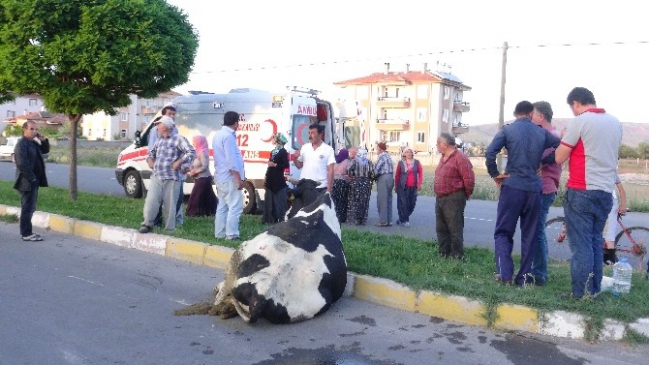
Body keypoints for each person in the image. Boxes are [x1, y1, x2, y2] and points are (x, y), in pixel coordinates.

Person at [551, 87, 622, 298]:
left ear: (576, 103)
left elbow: (559, 158)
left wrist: (564, 137)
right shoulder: (615, 123)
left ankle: (580, 294)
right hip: (605, 192)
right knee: (594, 243)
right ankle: (594, 291)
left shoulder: (580, 121)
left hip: (581, 190)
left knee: (581, 246)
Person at [485, 101, 561, 286]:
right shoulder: (542, 132)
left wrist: (496, 174)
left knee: (503, 232)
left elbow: (490, 153)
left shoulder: (508, 130)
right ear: (530, 113)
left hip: (512, 187)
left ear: (516, 113)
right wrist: (545, 161)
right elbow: (561, 145)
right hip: (534, 189)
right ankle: (524, 278)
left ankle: (505, 275)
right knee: (530, 235)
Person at [139, 116, 195, 233]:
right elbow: (151, 153)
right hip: (157, 175)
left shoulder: (178, 139)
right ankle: (147, 224)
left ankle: (169, 229)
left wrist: (179, 162)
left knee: (170, 205)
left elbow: (191, 152)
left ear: (164, 126)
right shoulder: (159, 140)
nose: (157, 127)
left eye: (158, 125)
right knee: (151, 201)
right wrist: (149, 160)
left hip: (172, 177)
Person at [530, 101, 563, 285]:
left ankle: (540, 274)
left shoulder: (549, 137)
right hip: (544, 187)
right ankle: (538, 270)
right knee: (537, 230)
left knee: (536, 231)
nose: (530, 118)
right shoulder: (552, 134)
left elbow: (537, 160)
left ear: (541, 116)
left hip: (544, 187)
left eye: (533, 115)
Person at [434, 133, 475, 259]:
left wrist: (463, 196)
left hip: (453, 197)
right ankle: (444, 252)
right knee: (441, 227)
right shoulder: (443, 157)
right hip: (440, 197)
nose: (437, 145)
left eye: (438, 143)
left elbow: (469, 180)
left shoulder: (460, 158)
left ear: (445, 145)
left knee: (454, 228)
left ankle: (457, 255)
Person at [13, 121, 49, 241]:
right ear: (24, 130)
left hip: (34, 180)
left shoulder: (33, 142)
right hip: (27, 181)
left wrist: (43, 139)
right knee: (27, 207)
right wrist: (32, 178)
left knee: (31, 207)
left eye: (35, 129)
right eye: (32, 129)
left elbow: (45, 151)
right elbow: (22, 164)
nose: (34, 131)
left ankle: (28, 231)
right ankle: (26, 233)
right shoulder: (21, 144)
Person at [213, 111, 245, 240]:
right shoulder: (229, 137)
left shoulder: (218, 135)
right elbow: (231, 161)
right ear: (235, 122)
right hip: (230, 177)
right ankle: (231, 235)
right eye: (238, 122)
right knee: (235, 207)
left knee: (222, 207)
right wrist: (238, 179)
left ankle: (219, 234)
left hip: (220, 177)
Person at [293, 124, 335, 193]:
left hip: (320, 187)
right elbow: (299, 166)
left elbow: (331, 170)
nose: (310, 136)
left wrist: (329, 189)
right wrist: (295, 158)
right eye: (309, 133)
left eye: (312, 133)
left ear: (320, 134)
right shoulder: (304, 147)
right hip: (304, 186)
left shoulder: (328, 149)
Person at [185, 135, 217, 217]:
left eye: (194, 141)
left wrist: (195, 172)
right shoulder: (197, 152)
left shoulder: (203, 152)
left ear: (199, 142)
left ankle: (192, 213)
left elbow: (204, 166)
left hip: (204, 178)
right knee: (208, 196)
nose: (193, 143)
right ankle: (211, 212)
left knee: (196, 196)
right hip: (200, 178)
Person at [262, 133, 289, 224]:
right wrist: (266, 176)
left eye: (273, 138)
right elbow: (269, 166)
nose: (272, 139)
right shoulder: (273, 151)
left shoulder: (283, 152)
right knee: (270, 202)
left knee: (279, 201)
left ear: (278, 140)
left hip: (278, 179)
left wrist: (275, 165)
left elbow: (286, 164)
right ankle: (269, 219)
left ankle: (281, 219)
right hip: (270, 178)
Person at [394, 147, 422, 228]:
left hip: (413, 186)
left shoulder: (416, 162)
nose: (409, 153)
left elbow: (420, 173)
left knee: (412, 204)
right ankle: (405, 220)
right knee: (403, 204)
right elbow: (397, 175)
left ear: (412, 153)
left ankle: (401, 218)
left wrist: (419, 183)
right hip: (402, 186)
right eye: (407, 152)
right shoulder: (401, 163)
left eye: (410, 152)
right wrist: (396, 186)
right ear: (404, 154)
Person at [603, 175, 627, 264]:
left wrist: (623, 205)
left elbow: (621, 189)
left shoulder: (611, 171)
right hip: (599, 205)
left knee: (609, 238)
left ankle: (609, 264)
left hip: (610, 205)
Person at [346, 147, 374, 226]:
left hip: (356, 182)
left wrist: (352, 176)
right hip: (365, 183)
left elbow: (348, 170)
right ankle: (363, 219)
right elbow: (372, 173)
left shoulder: (354, 160)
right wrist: (370, 179)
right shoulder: (369, 162)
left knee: (355, 201)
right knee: (364, 201)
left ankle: (355, 219)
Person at [373, 141, 394, 227]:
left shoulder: (381, 157)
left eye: (377, 148)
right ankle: (389, 220)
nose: (376, 150)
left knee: (382, 200)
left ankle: (383, 221)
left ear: (380, 149)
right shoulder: (388, 156)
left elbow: (376, 170)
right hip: (390, 177)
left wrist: (371, 177)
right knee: (388, 199)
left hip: (383, 178)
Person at [332, 148, 350, 223]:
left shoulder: (334, 160)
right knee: (342, 200)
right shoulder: (347, 161)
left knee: (335, 200)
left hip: (334, 181)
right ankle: (341, 217)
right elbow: (348, 171)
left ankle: (334, 216)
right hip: (342, 182)